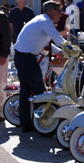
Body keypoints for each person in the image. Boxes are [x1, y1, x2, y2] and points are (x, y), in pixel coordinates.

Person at [13, 0, 65, 132]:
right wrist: (72, 49)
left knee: (27, 90)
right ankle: (41, 123)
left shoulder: (41, 19)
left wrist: (62, 50)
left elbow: (47, 41)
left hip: (24, 56)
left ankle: (27, 124)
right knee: (38, 90)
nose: (61, 14)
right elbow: (58, 38)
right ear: (50, 11)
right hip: (26, 57)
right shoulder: (45, 21)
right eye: (58, 11)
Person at [0, 9, 11, 121]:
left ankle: (1, 112)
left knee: (1, 85)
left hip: (0, 56)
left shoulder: (1, 16)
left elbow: (7, 37)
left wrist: (3, 55)